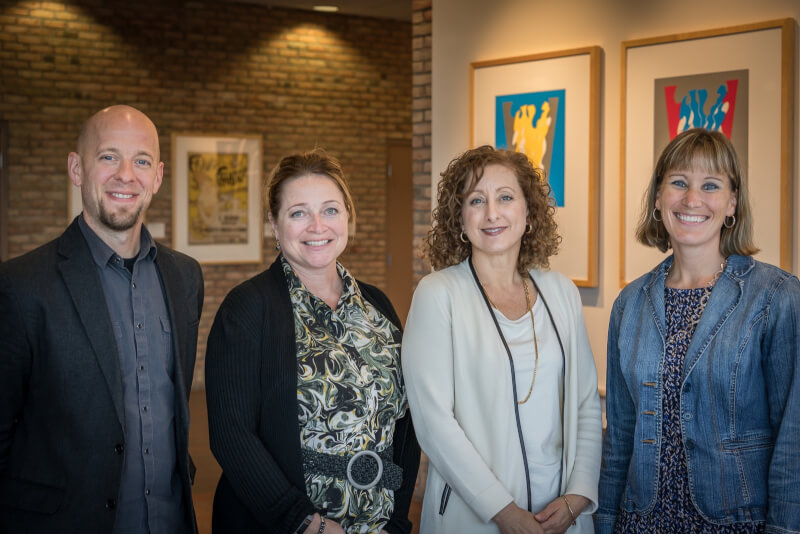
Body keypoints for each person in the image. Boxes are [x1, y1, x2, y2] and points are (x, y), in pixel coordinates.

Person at [0, 105, 204, 533]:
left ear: (159, 176)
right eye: (109, 156)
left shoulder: (185, 277)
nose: (126, 175)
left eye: (142, 161)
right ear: (77, 168)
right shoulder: (20, 286)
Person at [595, 128, 800, 533]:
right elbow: (619, 436)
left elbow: (792, 440)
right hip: (641, 523)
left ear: (732, 203)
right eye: (678, 183)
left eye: (710, 185)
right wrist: (603, 521)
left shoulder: (776, 297)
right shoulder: (630, 303)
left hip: (736, 524)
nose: (691, 199)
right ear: (658, 198)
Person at [205, 149, 420, 534]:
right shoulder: (248, 309)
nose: (317, 226)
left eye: (331, 210)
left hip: (377, 525)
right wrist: (305, 523)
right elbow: (231, 435)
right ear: (274, 223)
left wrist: (397, 520)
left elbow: (404, 425)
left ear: (348, 217)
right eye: (299, 212)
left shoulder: (378, 306)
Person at [402, 145, 602, 534]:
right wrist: (505, 513)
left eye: (505, 197)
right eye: (476, 200)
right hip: (475, 517)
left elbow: (586, 405)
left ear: (529, 211)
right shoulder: (438, 294)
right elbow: (434, 424)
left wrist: (577, 497)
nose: (492, 213)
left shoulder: (560, 292)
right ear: (459, 218)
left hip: (563, 516)